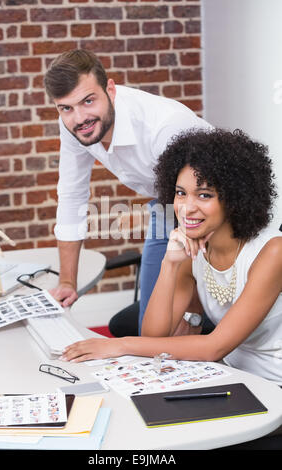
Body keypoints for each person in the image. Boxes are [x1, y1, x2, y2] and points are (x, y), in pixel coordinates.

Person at [60, 128, 282, 388]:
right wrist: (170, 263)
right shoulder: (194, 247)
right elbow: (153, 334)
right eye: (180, 193)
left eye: (204, 195)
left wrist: (118, 345)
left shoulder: (272, 252)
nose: (187, 207)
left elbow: (214, 347)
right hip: (231, 374)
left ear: (235, 198)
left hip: (272, 385)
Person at [43, 49, 211, 332]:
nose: (79, 117)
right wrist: (68, 283)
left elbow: (199, 204)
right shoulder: (72, 122)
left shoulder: (164, 126)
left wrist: (191, 307)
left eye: (88, 101)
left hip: (215, 210)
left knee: (183, 326)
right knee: (151, 328)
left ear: (110, 89)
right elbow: (72, 195)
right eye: (66, 108)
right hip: (166, 206)